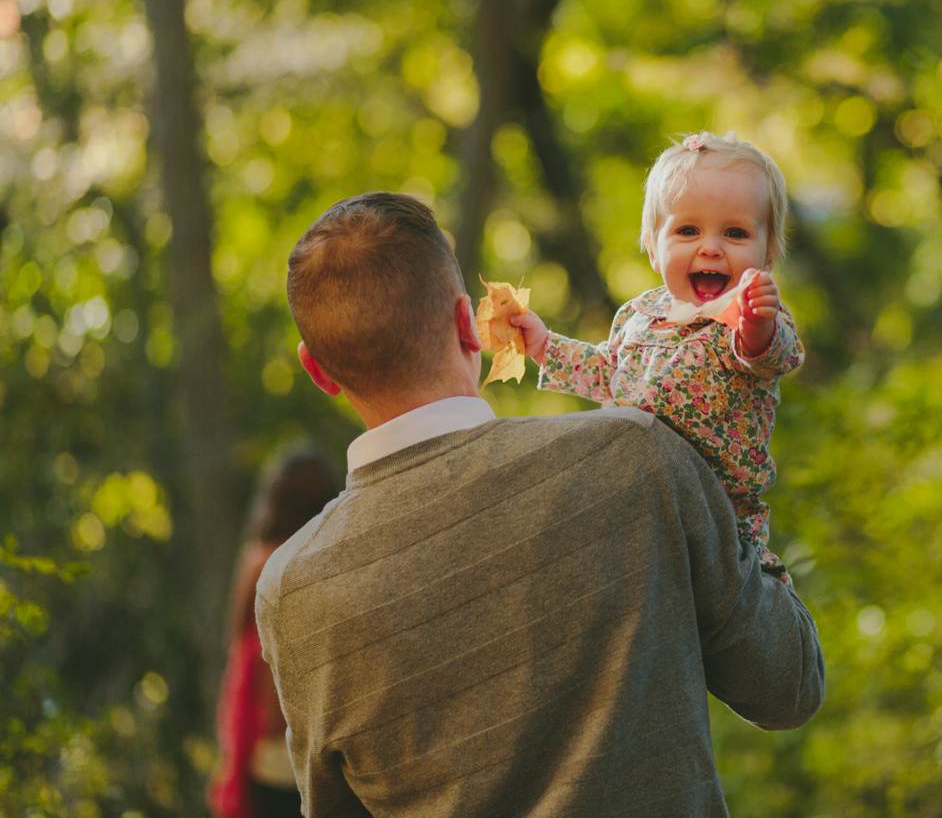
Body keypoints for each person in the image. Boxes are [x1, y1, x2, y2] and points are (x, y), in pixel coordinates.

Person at [256, 191, 823, 818]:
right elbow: (788, 685)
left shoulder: (292, 588)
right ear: (468, 323)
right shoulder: (635, 453)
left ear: (318, 370)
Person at [511, 131, 803, 583]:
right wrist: (544, 345)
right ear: (652, 246)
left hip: (717, 515)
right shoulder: (639, 314)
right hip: (633, 497)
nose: (710, 247)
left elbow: (769, 355)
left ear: (767, 254)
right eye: (688, 230)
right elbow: (608, 371)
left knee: (723, 594)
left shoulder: (744, 319)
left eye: (736, 232)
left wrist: (757, 324)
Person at [209, 448, 341, 818]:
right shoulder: (327, 558)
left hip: (267, 752)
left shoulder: (256, 560)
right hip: (326, 751)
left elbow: (237, 650)